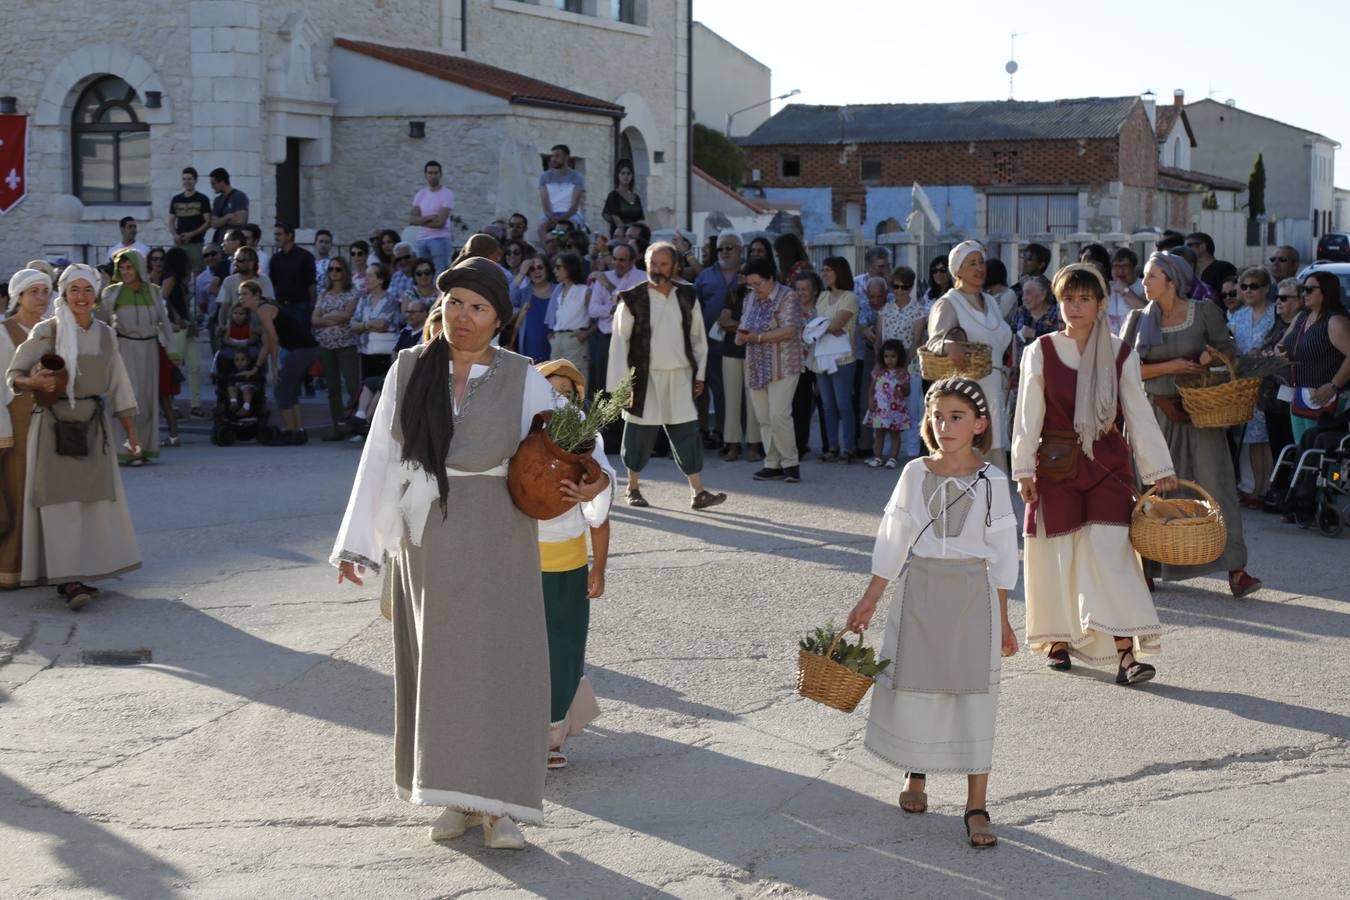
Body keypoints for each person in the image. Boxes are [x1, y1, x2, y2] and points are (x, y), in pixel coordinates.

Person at [332, 256, 607, 850]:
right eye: (454, 302)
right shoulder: (409, 368)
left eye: (478, 307)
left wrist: (595, 478)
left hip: (498, 535)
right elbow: (379, 454)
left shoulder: (523, 376)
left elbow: (579, 436)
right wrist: (357, 546)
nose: (463, 316)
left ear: (499, 320)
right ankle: (452, 797)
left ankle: (499, 808)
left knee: (501, 667)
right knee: (441, 670)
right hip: (425, 536)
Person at [846, 378, 1019, 850]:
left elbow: (1005, 554)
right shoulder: (915, 473)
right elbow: (894, 537)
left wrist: (1004, 620)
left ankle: (976, 805)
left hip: (972, 595)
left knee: (972, 695)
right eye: (938, 416)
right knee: (916, 685)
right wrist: (870, 598)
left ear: (980, 424)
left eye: (957, 417)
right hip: (919, 587)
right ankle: (916, 773)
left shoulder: (993, 481)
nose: (945, 426)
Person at [1013, 264, 1177, 680]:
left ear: (1101, 303)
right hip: (1055, 466)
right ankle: (1058, 640)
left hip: (1108, 466)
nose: (1075, 306)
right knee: (1059, 555)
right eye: (1068, 298)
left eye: (1084, 298)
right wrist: (1023, 469)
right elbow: (1027, 415)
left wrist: (1159, 469)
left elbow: (1138, 413)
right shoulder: (1041, 350)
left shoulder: (1121, 352)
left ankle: (1126, 655)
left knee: (1113, 557)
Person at [1124, 251, 1261, 597]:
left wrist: (1210, 357)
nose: (1144, 282)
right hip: (1153, 415)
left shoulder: (1204, 313)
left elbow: (1229, 351)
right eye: (1144, 276)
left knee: (1216, 488)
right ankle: (1146, 567)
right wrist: (1174, 366)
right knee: (1151, 492)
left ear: (1172, 281)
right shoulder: (1138, 320)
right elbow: (1125, 369)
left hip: (1200, 414)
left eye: (1151, 276)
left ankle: (1237, 569)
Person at [6, 265, 142, 608]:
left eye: (86, 290)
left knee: (93, 500)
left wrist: (131, 432)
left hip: (93, 425)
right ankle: (69, 580)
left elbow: (119, 385)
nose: (80, 297)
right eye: (73, 290)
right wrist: (35, 383)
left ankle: (84, 571)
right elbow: (14, 376)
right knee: (60, 502)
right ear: (64, 294)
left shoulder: (106, 335)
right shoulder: (46, 331)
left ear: (95, 295)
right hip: (53, 425)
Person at [533, 359, 614, 770]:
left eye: (567, 391)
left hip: (566, 562)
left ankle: (551, 737)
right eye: (551, 388)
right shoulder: (521, 430)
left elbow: (600, 511)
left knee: (564, 651)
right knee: (523, 649)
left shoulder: (586, 436)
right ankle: (515, 730)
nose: (559, 397)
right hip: (520, 559)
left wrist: (596, 483)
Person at [608, 242, 726, 510]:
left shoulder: (687, 296)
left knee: (686, 432)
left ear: (674, 266)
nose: (657, 269)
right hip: (644, 378)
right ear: (646, 265)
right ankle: (633, 489)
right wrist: (620, 386)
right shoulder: (631, 299)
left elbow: (699, 339)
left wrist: (701, 375)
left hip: (680, 375)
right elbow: (619, 344)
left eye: (663, 264)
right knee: (638, 432)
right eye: (653, 264)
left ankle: (698, 492)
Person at [928, 241, 1014, 470]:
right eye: (972, 263)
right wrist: (950, 346)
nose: (979, 268)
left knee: (993, 453)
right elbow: (934, 342)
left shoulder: (991, 303)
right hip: (966, 392)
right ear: (958, 270)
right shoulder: (948, 303)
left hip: (994, 389)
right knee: (968, 455)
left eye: (981, 262)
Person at [0, 269, 53, 587]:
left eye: (46, 291)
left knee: (47, 493)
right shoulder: (3, 332)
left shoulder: (52, 332)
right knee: (17, 492)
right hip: (15, 420)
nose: (41, 298)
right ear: (19, 296)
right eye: (34, 291)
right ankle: (11, 568)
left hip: (50, 420)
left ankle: (49, 565)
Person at [99, 250, 170, 465]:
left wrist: (172, 349)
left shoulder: (154, 292)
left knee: (147, 402)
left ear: (138, 267)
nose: (125, 271)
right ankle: (129, 451)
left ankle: (144, 448)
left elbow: (163, 321)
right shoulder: (111, 293)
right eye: (121, 268)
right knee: (128, 399)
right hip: (124, 349)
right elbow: (101, 322)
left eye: (129, 267)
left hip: (149, 349)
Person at [738, 256, 804, 483]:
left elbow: (791, 330)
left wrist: (757, 337)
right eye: (751, 284)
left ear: (771, 279)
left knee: (779, 415)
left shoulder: (788, 296)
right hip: (756, 365)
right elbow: (742, 329)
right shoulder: (749, 299)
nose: (755, 288)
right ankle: (772, 463)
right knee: (764, 418)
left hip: (783, 364)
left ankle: (791, 463)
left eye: (758, 283)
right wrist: (740, 336)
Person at [1278, 270, 1350, 443]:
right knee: (1303, 452)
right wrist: (1277, 353)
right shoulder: (1302, 317)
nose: (1304, 293)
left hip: (1327, 399)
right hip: (1300, 397)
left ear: (1325, 291)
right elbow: (1282, 344)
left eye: (1310, 289)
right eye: (1303, 289)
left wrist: (1333, 385)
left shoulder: (1335, 321)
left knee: (1325, 457)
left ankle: (1335, 473)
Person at [1230, 267, 1277, 504]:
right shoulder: (1238, 316)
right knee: (1250, 439)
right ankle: (1252, 487)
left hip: (1269, 384)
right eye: (1244, 286)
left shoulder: (1276, 313)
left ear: (1266, 288)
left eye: (1254, 286)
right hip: (1244, 384)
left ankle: (1266, 487)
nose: (1248, 290)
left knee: (1266, 439)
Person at [693, 232, 742, 449]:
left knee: (732, 392)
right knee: (710, 390)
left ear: (740, 250)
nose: (724, 252)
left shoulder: (747, 274)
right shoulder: (705, 276)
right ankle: (714, 432)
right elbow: (694, 308)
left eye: (729, 247)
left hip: (741, 343)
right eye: (721, 248)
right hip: (709, 345)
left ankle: (730, 434)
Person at [813, 257, 861, 463]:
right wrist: (825, 326)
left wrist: (822, 326)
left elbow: (833, 325)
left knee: (843, 404)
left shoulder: (850, 297)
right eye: (823, 270)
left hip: (844, 359)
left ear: (839, 272)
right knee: (827, 405)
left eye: (829, 270)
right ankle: (832, 446)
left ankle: (848, 447)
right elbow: (815, 325)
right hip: (822, 357)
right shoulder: (823, 296)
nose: (824, 273)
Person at [586, 241, 644, 401]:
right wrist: (612, 310)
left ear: (632, 261)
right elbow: (593, 309)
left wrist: (611, 292)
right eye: (615, 259)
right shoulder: (604, 277)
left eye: (622, 260)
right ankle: (608, 426)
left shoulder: (642, 278)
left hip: (632, 339)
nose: (618, 263)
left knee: (630, 386)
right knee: (604, 386)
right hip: (607, 339)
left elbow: (633, 308)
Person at [311, 257, 361, 440]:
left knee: (353, 385)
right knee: (332, 388)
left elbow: (347, 315)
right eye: (331, 269)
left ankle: (355, 423)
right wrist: (334, 317)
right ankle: (338, 425)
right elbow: (314, 319)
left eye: (338, 269)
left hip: (346, 345)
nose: (334, 273)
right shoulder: (323, 293)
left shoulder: (352, 293)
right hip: (326, 346)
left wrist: (327, 316)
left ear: (345, 272)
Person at [717, 280, 762, 463]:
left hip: (755, 350)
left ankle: (754, 445)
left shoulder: (764, 295)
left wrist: (737, 327)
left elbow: (764, 324)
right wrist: (745, 329)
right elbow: (723, 321)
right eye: (744, 272)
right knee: (731, 399)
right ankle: (732, 444)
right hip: (731, 350)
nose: (746, 277)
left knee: (754, 400)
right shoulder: (734, 293)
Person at [158, 247, 196, 446]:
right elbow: (164, 299)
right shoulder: (171, 277)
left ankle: (187, 406)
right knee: (174, 365)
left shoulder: (179, 279)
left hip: (184, 325)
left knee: (193, 366)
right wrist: (178, 318)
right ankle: (171, 407)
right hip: (176, 326)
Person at [888, 267, 927, 459]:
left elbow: (916, 341)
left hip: (911, 368)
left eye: (904, 287)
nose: (900, 290)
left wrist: (903, 366)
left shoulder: (918, 311)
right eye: (895, 286)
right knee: (887, 409)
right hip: (888, 368)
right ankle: (888, 452)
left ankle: (912, 452)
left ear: (911, 287)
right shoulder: (886, 310)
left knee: (911, 410)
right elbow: (880, 338)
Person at [791, 271, 826, 459]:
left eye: (805, 289)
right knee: (800, 406)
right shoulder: (791, 310)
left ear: (814, 291)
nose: (801, 292)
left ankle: (828, 447)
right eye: (797, 289)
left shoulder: (821, 309)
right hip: (798, 363)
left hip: (819, 361)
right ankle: (799, 445)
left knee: (824, 404)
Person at [864, 339, 911, 469]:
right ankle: (878, 457)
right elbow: (871, 388)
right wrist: (870, 402)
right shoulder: (878, 373)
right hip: (880, 408)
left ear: (899, 357)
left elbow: (907, 390)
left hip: (896, 410)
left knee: (895, 434)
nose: (889, 360)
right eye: (886, 356)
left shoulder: (902, 373)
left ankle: (893, 458)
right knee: (879, 434)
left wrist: (903, 391)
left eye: (893, 356)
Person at [351, 262, 402, 381]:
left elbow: (382, 325)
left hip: (385, 352)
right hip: (365, 351)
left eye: (369, 276)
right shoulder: (363, 299)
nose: (365, 279)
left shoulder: (390, 300)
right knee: (365, 388)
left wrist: (363, 326)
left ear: (380, 280)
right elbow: (352, 324)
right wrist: (368, 325)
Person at [545, 252, 592, 374]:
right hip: (557, 339)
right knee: (555, 380)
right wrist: (552, 337)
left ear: (570, 268)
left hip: (574, 338)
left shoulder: (585, 291)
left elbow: (597, 318)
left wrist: (585, 334)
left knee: (576, 381)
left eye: (559, 267)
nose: (555, 270)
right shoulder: (558, 292)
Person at [410, 160, 455, 273]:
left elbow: (440, 223)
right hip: (422, 240)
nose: (433, 176)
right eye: (430, 173)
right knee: (422, 274)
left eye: (435, 173)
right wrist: (430, 217)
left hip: (440, 239)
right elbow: (411, 219)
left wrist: (420, 221)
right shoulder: (421, 194)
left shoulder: (447, 194)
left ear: (440, 174)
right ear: (425, 175)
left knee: (440, 275)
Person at [269, 222, 316, 329]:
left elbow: (311, 284)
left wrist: (313, 307)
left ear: (289, 235)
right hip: (280, 306)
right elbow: (273, 284)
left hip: (300, 307)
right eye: (275, 234)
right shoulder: (275, 258)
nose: (276, 238)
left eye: (279, 234)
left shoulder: (305, 256)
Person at [538, 144, 586, 240]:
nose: (553, 159)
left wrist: (563, 218)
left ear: (566, 157)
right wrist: (551, 217)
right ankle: (548, 252)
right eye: (552, 156)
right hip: (551, 214)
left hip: (571, 214)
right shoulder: (544, 177)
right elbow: (545, 203)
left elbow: (575, 205)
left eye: (557, 156)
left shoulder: (577, 177)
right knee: (541, 228)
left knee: (570, 227)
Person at [1011, 275, 1061, 368]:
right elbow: (1015, 339)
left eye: (1028, 293)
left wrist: (1036, 334)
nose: (1023, 298)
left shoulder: (1055, 314)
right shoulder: (1021, 311)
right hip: (1023, 368)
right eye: (1023, 293)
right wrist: (1014, 365)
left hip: (1046, 368)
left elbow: (1059, 340)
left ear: (1042, 295)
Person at [512, 253, 554, 363]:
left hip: (554, 348)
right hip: (529, 350)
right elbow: (508, 298)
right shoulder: (525, 293)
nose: (536, 271)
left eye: (540, 267)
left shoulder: (558, 290)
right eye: (531, 269)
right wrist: (521, 273)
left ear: (547, 269)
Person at [168, 167, 211, 273]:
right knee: (177, 272)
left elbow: (207, 222)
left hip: (196, 244)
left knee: (197, 273)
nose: (187, 182)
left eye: (189, 179)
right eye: (184, 179)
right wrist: (175, 235)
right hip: (179, 244)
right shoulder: (176, 199)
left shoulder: (202, 199)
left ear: (195, 180)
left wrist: (191, 234)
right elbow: (171, 221)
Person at [1186, 231, 1237, 301]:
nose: (1185, 250)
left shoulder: (1223, 268)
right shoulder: (1193, 273)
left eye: (1188, 245)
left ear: (1202, 246)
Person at [1107, 247, 1145, 335]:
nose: (1120, 271)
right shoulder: (1107, 288)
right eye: (1116, 266)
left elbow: (1147, 312)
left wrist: (1126, 291)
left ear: (1134, 268)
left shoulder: (1144, 286)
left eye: (1125, 266)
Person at [206, 168, 248, 245]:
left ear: (222, 182)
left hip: (235, 243)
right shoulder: (217, 200)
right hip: (220, 242)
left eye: (213, 183)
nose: (212, 187)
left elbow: (240, 220)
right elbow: (214, 224)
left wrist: (221, 220)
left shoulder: (239, 196)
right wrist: (228, 217)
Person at [601, 158, 644, 231]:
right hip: (619, 236)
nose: (626, 176)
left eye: (628, 173)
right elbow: (618, 222)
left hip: (635, 237)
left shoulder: (636, 197)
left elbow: (640, 220)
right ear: (618, 176)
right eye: (623, 173)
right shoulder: (613, 195)